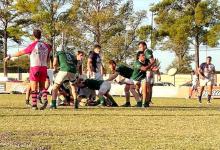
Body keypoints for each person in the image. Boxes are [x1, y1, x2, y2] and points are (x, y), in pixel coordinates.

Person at [4, 29, 51, 110]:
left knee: (34, 87)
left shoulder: (33, 45)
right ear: (41, 35)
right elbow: (48, 57)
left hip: (34, 67)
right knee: (42, 87)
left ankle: (34, 105)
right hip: (44, 67)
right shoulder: (46, 46)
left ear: (33, 36)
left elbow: (21, 53)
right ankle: (45, 100)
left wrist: (10, 56)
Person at [138, 41, 160, 106]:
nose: (139, 48)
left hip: (148, 71)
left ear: (145, 46)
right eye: (139, 47)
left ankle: (146, 101)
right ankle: (148, 101)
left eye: (140, 47)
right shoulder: (147, 51)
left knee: (146, 87)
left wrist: (156, 71)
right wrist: (157, 71)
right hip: (150, 71)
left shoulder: (146, 51)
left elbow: (152, 60)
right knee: (149, 87)